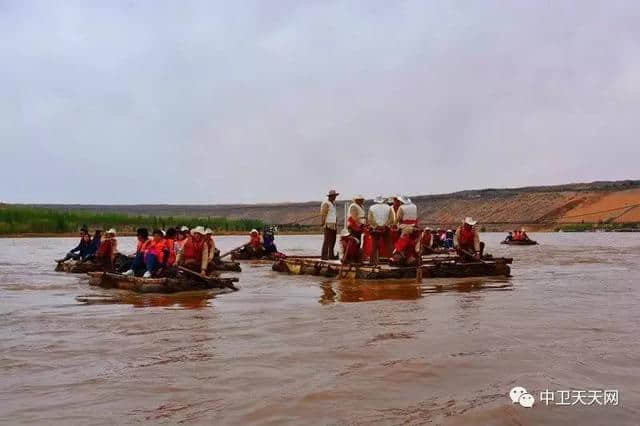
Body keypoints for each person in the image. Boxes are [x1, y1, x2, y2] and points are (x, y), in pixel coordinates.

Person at [367, 195, 394, 264]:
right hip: (386, 229)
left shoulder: (372, 208)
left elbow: (370, 219)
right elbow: (392, 219)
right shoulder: (388, 207)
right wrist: (385, 225)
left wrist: (376, 226)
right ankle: (391, 261)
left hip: (375, 229)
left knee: (374, 246)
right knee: (388, 246)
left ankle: (372, 262)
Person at [320, 189, 339, 260]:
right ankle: (324, 256)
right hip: (328, 224)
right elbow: (323, 214)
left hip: (333, 224)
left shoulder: (333, 203)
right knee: (327, 240)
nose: (335, 197)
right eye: (334, 196)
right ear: (330, 196)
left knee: (333, 240)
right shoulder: (326, 203)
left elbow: (333, 214)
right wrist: (322, 222)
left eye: (335, 196)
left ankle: (331, 255)